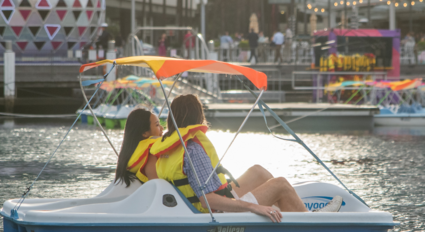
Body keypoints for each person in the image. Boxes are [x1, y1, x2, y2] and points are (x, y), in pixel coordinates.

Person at [150, 94, 341, 221]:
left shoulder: (170, 146)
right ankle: (311, 220)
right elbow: (208, 201)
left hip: (205, 203)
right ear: (198, 116)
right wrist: (253, 207)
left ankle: (291, 214)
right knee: (281, 184)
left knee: (258, 171)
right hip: (216, 211)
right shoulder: (192, 149)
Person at [114, 109, 164, 187]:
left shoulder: (129, 155)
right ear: (144, 133)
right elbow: (157, 186)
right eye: (157, 125)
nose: (162, 128)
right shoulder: (151, 155)